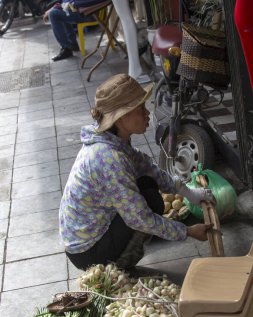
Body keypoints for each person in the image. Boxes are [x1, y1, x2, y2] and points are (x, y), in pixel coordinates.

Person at [59, 73, 214, 270]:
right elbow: (140, 219)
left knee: (147, 184)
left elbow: (149, 167)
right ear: (122, 118)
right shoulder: (108, 158)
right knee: (149, 203)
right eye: (141, 109)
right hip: (88, 252)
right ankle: (117, 266)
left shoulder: (114, 141)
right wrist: (188, 231)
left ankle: (122, 250)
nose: (147, 113)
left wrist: (190, 194)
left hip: (93, 235)